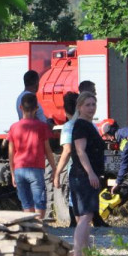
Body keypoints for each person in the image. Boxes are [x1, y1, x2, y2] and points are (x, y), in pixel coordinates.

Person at [6, 93, 56, 220]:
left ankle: (30, 229)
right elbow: (48, 151)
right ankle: (39, 227)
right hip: (36, 169)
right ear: (37, 108)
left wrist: (12, 173)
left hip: (19, 169)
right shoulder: (41, 127)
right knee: (39, 201)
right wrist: (55, 169)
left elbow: (11, 153)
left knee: (27, 203)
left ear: (21, 107)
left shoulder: (13, 128)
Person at [69, 92, 106, 256]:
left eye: (93, 104)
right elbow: (80, 150)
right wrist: (91, 173)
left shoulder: (88, 125)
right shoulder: (82, 125)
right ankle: (78, 254)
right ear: (79, 107)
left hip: (81, 175)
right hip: (83, 175)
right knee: (86, 215)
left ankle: (86, 252)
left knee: (81, 217)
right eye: (87, 105)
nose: (91, 108)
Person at [53, 91, 80, 226]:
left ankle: (74, 225)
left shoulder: (69, 126)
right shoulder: (90, 124)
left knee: (73, 196)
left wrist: (57, 173)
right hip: (91, 168)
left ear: (65, 110)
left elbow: (67, 150)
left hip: (76, 168)